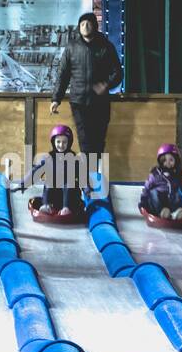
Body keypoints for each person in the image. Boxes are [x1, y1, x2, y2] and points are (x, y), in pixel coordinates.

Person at [50, 11, 122, 158]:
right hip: (79, 101)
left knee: (98, 141)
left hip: (100, 102)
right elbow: (63, 74)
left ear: (95, 26)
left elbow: (118, 73)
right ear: (79, 27)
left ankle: (95, 176)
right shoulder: (71, 47)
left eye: (88, 23)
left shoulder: (106, 46)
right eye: (82, 24)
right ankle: (87, 177)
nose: (85, 26)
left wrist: (106, 85)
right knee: (85, 141)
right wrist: (56, 99)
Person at [20, 125, 84, 217]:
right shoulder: (48, 158)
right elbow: (36, 171)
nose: (61, 145)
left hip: (71, 197)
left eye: (64, 142)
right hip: (55, 198)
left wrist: (88, 190)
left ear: (69, 143)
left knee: (69, 182)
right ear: (53, 142)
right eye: (58, 142)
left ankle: (67, 209)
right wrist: (24, 183)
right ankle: (47, 206)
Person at [140, 143, 182, 221]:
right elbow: (147, 188)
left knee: (177, 195)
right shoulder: (156, 174)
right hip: (157, 204)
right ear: (161, 161)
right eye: (165, 160)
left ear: (176, 161)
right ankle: (162, 212)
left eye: (171, 160)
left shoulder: (177, 175)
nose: (168, 163)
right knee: (154, 193)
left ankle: (176, 212)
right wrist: (143, 202)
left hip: (171, 202)